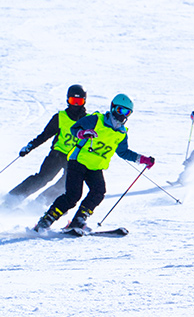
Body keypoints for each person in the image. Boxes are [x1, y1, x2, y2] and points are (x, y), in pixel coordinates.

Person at [33, 94, 155, 234]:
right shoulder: (96, 119)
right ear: (113, 108)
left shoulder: (121, 133)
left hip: (95, 167)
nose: (123, 115)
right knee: (73, 195)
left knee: (98, 192)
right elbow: (74, 128)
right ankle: (46, 220)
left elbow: (123, 152)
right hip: (78, 161)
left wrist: (143, 159)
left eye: (127, 112)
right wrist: (83, 133)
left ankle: (78, 220)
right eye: (120, 110)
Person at [4, 85, 91, 208]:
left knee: (65, 184)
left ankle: (41, 202)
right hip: (57, 154)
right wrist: (30, 146)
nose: (76, 105)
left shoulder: (89, 121)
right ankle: (13, 198)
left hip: (74, 158)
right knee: (43, 178)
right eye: (73, 101)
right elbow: (45, 135)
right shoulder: (60, 117)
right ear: (67, 100)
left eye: (79, 101)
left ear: (84, 101)